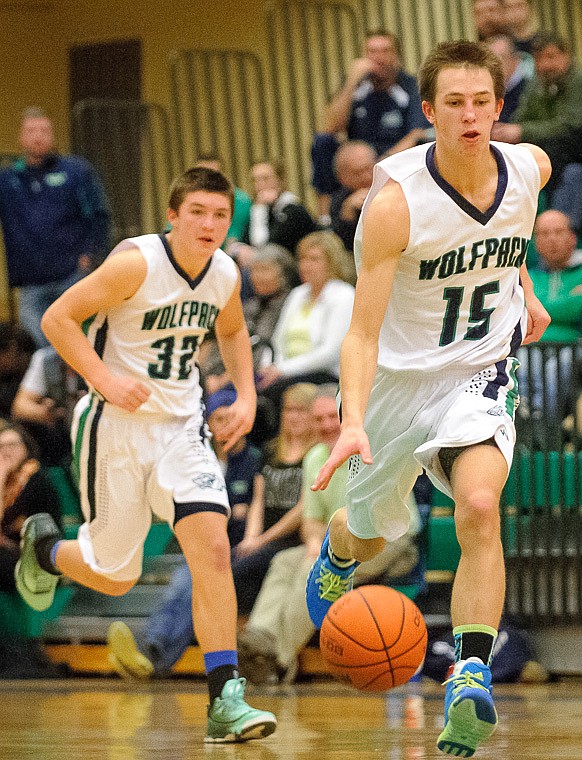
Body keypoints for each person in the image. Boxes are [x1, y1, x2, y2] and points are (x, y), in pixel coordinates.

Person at [304, 41, 551, 758]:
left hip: (477, 370)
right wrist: (352, 420)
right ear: (429, 111)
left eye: (482, 102)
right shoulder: (393, 207)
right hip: (397, 384)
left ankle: (470, 673)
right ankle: (341, 547)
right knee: (372, 532)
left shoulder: (529, 168)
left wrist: (525, 290)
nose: (470, 115)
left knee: (478, 506)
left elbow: (514, 237)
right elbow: (360, 333)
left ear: (499, 108)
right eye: (455, 103)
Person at [13, 166, 276, 742]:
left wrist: (248, 394)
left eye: (220, 215)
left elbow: (232, 332)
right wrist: (104, 378)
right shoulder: (136, 263)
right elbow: (59, 319)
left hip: (182, 425)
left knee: (211, 546)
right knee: (115, 574)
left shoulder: (225, 272)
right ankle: (45, 548)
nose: (209, 225)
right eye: (198, 213)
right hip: (116, 426)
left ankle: (226, 697)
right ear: (173, 216)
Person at [106, 382, 317, 679]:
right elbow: (256, 500)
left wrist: (256, 539)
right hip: (240, 544)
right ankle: (149, 650)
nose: (293, 417)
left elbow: (300, 507)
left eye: (300, 411)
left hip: (277, 544)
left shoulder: (283, 456)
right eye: (289, 410)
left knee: (206, 579)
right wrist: (250, 535)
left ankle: (153, 655)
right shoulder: (264, 452)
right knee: (187, 576)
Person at [237, 385, 420, 685]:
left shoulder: (369, 445)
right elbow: (311, 520)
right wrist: (312, 542)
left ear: (346, 415)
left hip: (386, 539)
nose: (325, 425)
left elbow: (375, 521)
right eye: (318, 418)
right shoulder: (315, 457)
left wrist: (321, 549)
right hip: (338, 540)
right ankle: (259, 638)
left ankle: (278, 662)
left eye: (331, 416)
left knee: (313, 568)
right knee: (285, 560)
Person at [0, 108, 111, 348]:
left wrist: (89, 256)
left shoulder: (76, 171)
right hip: (30, 282)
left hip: (71, 274)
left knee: (76, 342)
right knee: (39, 348)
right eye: (31, 131)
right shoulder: (8, 179)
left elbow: (100, 215)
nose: (38, 136)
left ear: (52, 136)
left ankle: (76, 386)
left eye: (44, 130)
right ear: (21, 137)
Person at [257, 231, 355, 411]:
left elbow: (330, 352)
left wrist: (282, 370)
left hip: (324, 373)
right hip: (286, 371)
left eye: (314, 259)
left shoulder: (344, 295)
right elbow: (277, 340)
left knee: (273, 396)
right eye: (302, 259)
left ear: (332, 262)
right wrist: (269, 367)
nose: (305, 265)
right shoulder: (298, 294)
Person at [492, 33, 582, 200]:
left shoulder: (578, 82)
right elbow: (521, 118)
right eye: (539, 59)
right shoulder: (536, 84)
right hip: (546, 147)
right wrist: (507, 132)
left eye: (551, 57)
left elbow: (570, 125)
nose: (546, 64)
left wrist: (522, 131)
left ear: (566, 56)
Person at [0, 422, 61, 593]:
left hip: (37, 559)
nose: (6, 451)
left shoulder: (37, 480)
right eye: (1, 446)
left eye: (12, 445)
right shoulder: (6, 482)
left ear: (26, 447)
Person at [11, 346, 86, 466]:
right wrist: (46, 412)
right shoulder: (47, 358)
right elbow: (20, 406)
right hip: (65, 440)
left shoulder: (102, 350)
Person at [242, 160, 317, 255]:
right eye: (255, 180)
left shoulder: (293, 209)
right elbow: (245, 241)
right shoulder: (266, 208)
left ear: (281, 181)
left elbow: (264, 248)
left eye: (265, 178)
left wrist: (259, 208)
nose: (259, 185)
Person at [329, 141, 377, 252]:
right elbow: (343, 247)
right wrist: (347, 215)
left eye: (368, 168)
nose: (366, 177)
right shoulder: (340, 201)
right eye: (357, 173)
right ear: (342, 178)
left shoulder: (394, 185)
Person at [485, 34, 533, 122]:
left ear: (515, 60)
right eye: (491, 60)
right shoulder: (490, 90)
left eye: (501, 58)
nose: (495, 65)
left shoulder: (530, 87)